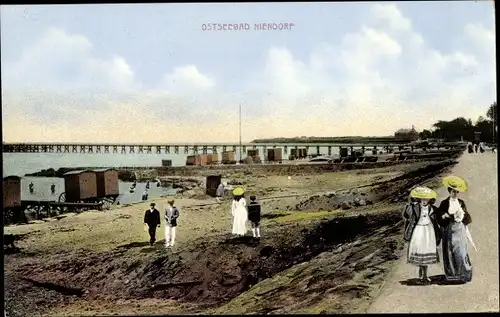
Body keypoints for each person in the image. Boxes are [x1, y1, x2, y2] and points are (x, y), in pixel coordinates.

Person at [436, 176, 474, 283]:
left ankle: (464, 273)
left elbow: (467, 217)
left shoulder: (461, 202)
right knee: (449, 251)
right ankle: (452, 274)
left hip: (459, 229)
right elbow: (439, 216)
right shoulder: (444, 203)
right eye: (453, 191)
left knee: (461, 251)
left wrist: (462, 215)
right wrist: (444, 216)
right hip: (448, 230)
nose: (455, 194)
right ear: (449, 191)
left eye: (456, 192)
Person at [402, 186, 441, 284]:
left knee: (426, 253)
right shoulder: (415, 207)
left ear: (430, 200)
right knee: (420, 251)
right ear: (419, 199)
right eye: (422, 199)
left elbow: (438, 218)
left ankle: (425, 275)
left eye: (426, 199)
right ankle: (422, 274)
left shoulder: (433, 209)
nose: (424, 201)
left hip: (428, 231)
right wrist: (410, 203)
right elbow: (406, 215)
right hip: (419, 231)